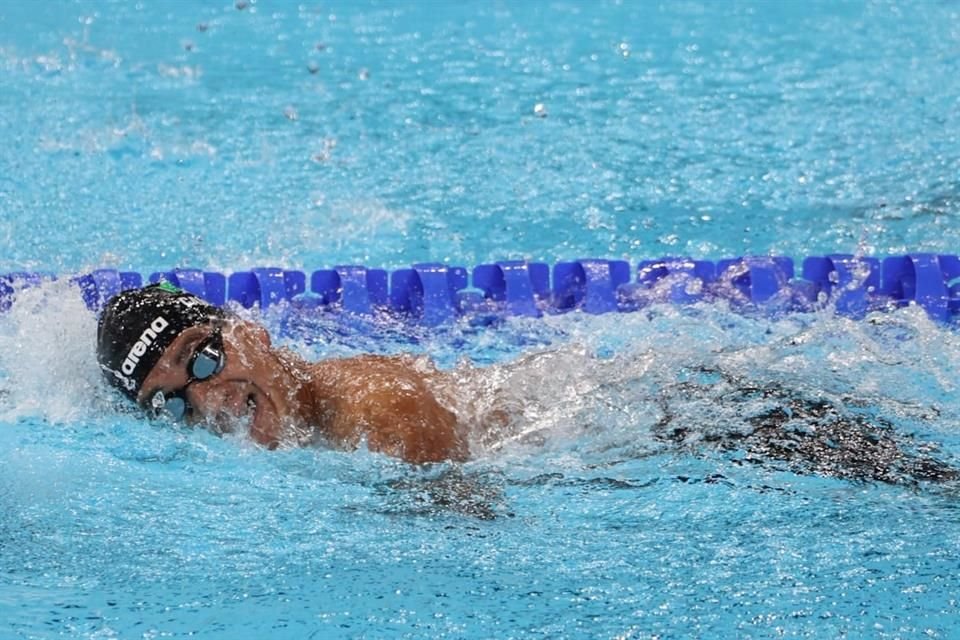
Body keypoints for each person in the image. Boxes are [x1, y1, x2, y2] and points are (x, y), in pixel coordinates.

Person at [97, 282, 468, 464]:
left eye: (202, 359)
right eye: (171, 402)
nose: (208, 402)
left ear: (248, 331)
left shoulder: (382, 407)